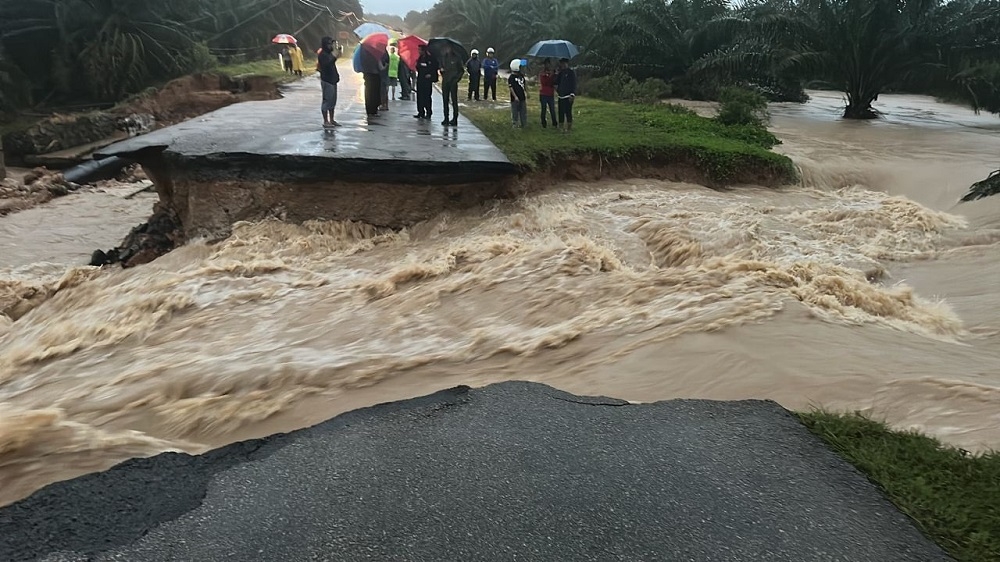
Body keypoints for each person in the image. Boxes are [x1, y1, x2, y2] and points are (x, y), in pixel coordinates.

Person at [439, 45, 464, 126]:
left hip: (453, 82)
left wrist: (456, 80)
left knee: (454, 101)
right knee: (445, 100)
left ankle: (455, 118)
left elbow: (461, 71)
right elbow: (441, 67)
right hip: (445, 81)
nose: (447, 49)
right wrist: (442, 70)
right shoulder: (444, 57)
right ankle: (446, 118)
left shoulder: (457, 58)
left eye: (448, 48)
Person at [317, 37, 340, 128]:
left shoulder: (329, 53)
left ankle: (332, 119)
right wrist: (335, 57)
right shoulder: (322, 54)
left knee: (333, 101)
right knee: (327, 100)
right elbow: (328, 64)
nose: (331, 46)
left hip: (333, 80)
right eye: (329, 44)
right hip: (327, 80)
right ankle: (326, 121)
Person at [414, 44, 439, 120]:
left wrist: (430, 74)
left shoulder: (431, 58)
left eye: (420, 50)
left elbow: (434, 67)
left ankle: (428, 112)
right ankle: (420, 112)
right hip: (420, 79)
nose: (419, 51)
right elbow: (418, 67)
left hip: (427, 80)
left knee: (427, 97)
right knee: (420, 96)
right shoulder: (420, 58)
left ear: (424, 50)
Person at [555, 57, 577, 132]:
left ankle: (569, 127)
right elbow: (556, 82)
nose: (562, 65)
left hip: (568, 95)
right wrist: (556, 74)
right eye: (561, 63)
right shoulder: (561, 73)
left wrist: (572, 94)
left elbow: (573, 84)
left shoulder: (571, 72)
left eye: (564, 63)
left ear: (566, 63)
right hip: (561, 95)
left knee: (568, 112)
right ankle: (561, 127)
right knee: (561, 112)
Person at [508, 59, 527, 128]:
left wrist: (527, 92)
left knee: (523, 111)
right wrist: (515, 96)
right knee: (515, 111)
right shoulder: (511, 77)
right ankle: (515, 123)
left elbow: (524, 84)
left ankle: (523, 124)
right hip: (515, 98)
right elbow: (511, 88)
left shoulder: (521, 76)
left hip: (522, 97)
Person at [538, 59, 557, 128]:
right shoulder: (542, 73)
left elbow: (554, 82)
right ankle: (543, 123)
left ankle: (554, 123)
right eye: (546, 64)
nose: (547, 65)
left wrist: (554, 75)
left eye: (548, 64)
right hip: (543, 93)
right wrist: (550, 76)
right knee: (544, 109)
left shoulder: (552, 73)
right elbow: (544, 82)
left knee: (552, 109)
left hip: (550, 93)